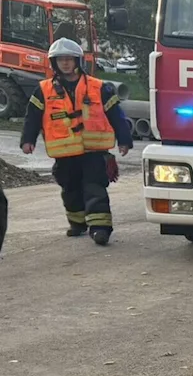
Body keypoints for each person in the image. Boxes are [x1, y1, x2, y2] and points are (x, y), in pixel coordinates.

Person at [20, 38, 133, 246]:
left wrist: (125, 140)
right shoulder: (43, 90)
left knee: (95, 187)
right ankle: (78, 223)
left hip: (94, 151)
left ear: (77, 61)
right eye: (60, 60)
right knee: (69, 188)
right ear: (54, 63)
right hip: (64, 153)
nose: (65, 63)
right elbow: (32, 117)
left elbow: (116, 114)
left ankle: (100, 229)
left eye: (69, 59)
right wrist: (28, 140)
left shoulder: (100, 88)